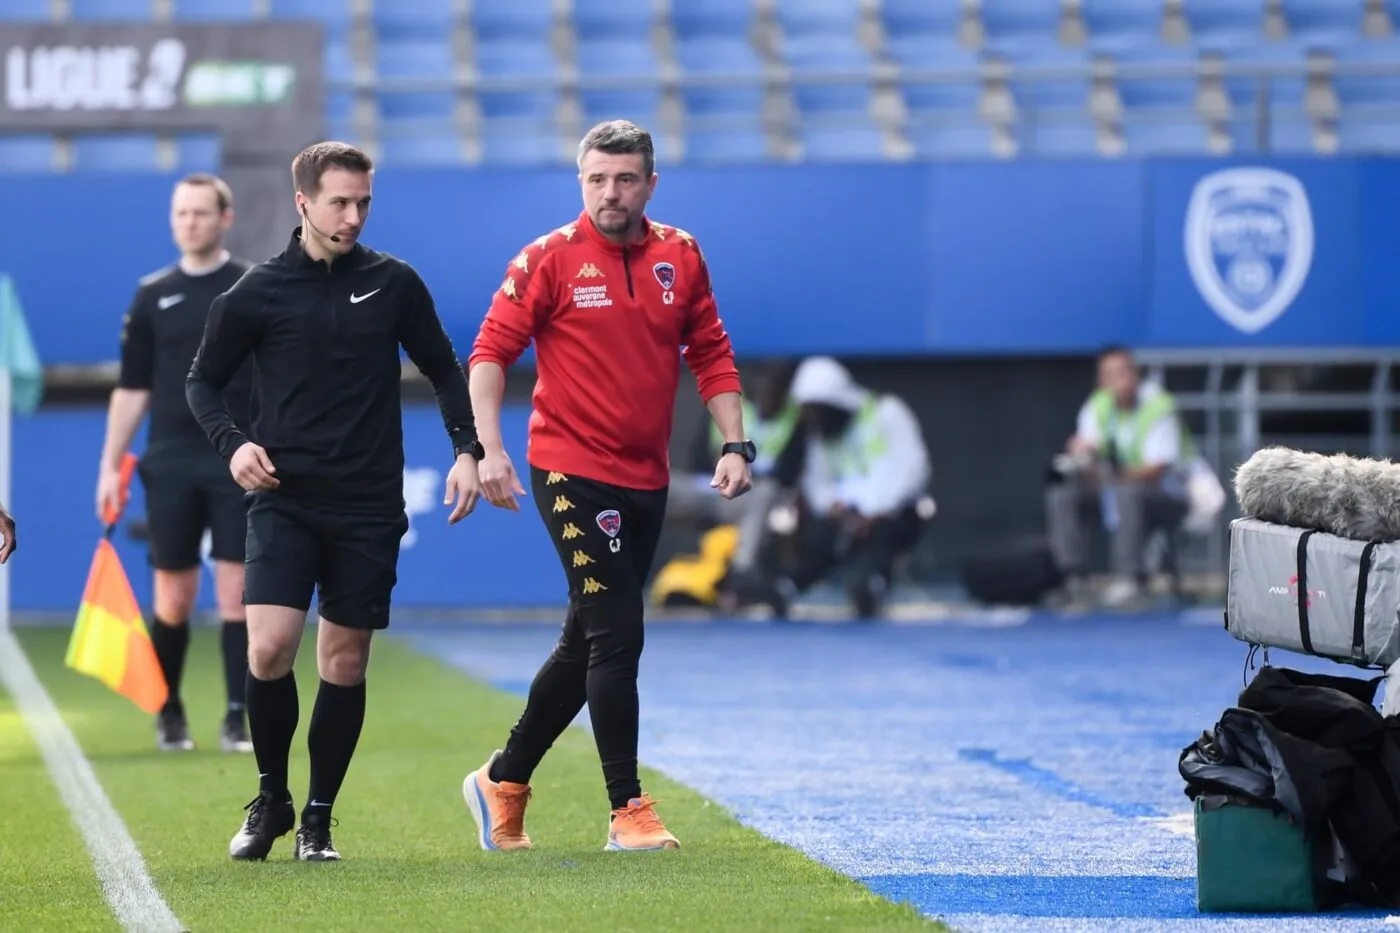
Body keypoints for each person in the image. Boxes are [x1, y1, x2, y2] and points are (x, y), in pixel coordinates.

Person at [186, 141, 484, 863]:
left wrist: (467, 450)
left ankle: (317, 817)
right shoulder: (256, 292)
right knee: (267, 647)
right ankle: (271, 798)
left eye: (363, 203)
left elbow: (446, 369)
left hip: (368, 503)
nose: (352, 216)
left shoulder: (395, 283)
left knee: (344, 662)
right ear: (303, 203)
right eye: (339, 202)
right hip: (284, 499)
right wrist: (233, 444)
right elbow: (202, 381)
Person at [462, 119, 752, 852]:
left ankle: (504, 778)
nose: (610, 192)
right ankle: (628, 810)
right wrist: (489, 448)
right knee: (619, 631)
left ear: (650, 184)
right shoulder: (548, 260)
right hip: (568, 468)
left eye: (625, 179)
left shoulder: (680, 255)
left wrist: (734, 441)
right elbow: (490, 352)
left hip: (644, 475)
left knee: (584, 638)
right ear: (580, 181)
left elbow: (711, 349)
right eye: (596, 178)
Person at [96, 173, 255, 754]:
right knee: (173, 598)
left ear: (224, 218)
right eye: (181, 213)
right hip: (168, 462)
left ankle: (238, 716)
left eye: (201, 213)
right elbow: (132, 387)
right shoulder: (151, 294)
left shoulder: (249, 287)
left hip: (235, 459)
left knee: (236, 593)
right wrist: (110, 465)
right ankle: (170, 711)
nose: (190, 222)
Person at [748, 356, 932, 619]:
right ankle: (787, 588)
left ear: (833, 404)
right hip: (845, 517)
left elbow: (915, 469)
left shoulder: (886, 411)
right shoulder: (819, 434)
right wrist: (836, 509)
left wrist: (877, 512)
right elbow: (817, 484)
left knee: (886, 534)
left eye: (816, 411)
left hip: (892, 512)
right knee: (821, 538)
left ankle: (871, 585)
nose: (812, 420)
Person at [1044, 344, 1217, 608]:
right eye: (1108, 374)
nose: (1116, 380)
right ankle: (1071, 579)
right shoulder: (1097, 406)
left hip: (1174, 496)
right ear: (1100, 379)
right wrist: (1082, 459)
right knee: (1063, 495)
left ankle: (1131, 581)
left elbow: (1156, 471)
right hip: (1117, 491)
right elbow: (1092, 463)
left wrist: (1108, 475)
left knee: (1128, 492)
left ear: (1135, 374)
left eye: (1122, 372)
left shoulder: (1159, 406)